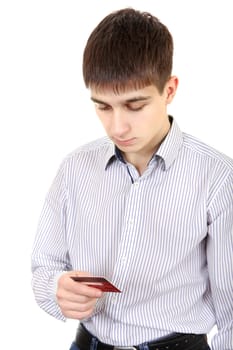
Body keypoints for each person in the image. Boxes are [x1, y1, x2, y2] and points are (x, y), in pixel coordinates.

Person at [31, 7, 233, 350]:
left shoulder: (217, 177)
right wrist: (56, 288)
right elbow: (44, 267)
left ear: (169, 90)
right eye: (103, 107)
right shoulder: (74, 168)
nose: (117, 127)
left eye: (134, 106)